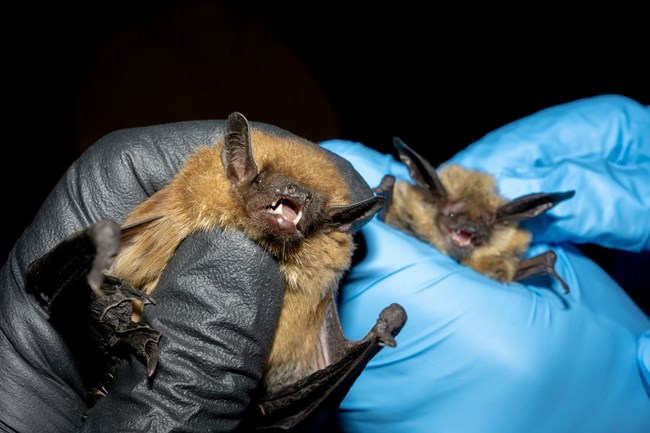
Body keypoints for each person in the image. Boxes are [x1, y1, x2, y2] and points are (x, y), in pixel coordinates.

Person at [0, 94, 648, 433]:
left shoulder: (333, 260)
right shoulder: (195, 193)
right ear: (236, 165)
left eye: (304, 208)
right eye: (273, 196)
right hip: (120, 326)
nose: (288, 211)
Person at [321, 93, 650, 433]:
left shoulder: (503, 253)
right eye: (456, 216)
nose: (468, 228)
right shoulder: (403, 202)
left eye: (483, 223)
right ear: (427, 187)